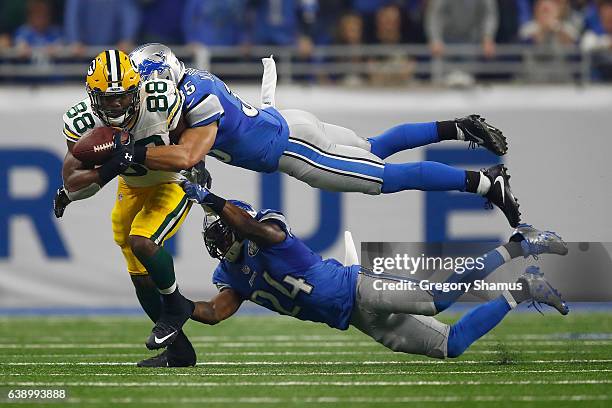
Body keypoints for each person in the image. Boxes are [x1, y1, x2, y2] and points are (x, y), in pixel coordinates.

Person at [160, 180, 568, 363]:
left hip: (357, 289)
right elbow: (215, 312)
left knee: (435, 300)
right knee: (452, 346)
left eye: (222, 230)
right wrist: (178, 306)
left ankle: (520, 244)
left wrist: (209, 199)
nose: (218, 243)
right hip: (353, 319)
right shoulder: (232, 274)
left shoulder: (269, 232)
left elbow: (250, 228)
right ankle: (525, 288)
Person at [126, 44, 520, 231]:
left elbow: (187, 155)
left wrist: (130, 154)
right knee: (371, 147)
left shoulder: (197, 99)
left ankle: (486, 183)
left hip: (294, 149)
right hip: (287, 122)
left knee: (387, 178)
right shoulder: (190, 82)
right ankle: (460, 127)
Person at [53, 49, 209, 367]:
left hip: (171, 181)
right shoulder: (82, 119)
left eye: (122, 96)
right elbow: (73, 179)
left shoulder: (161, 99)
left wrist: (198, 164)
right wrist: (113, 164)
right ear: (92, 97)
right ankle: (180, 352)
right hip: (130, 187)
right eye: (107, 99)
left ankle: (176, 305)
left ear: (136, 90)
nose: (115, 104)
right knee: (139, 275)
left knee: (143, 240)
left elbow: (189, 136)